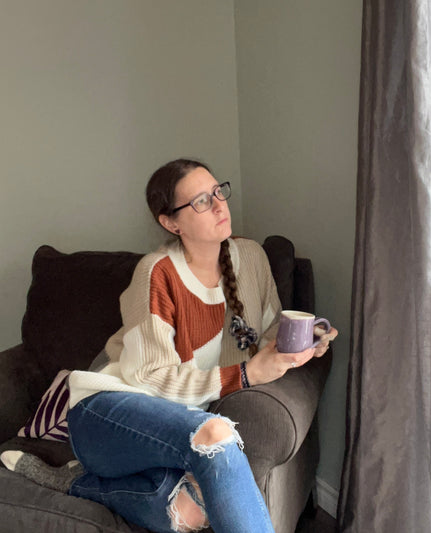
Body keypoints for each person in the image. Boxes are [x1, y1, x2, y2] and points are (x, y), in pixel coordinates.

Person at [1, 158, 337, 533]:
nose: (219, 204)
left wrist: (301, 344)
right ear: (170, 222)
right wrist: (243, 374)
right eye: (201, 201)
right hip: (105, 413)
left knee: (192, 511)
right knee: (216, 435)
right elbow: (149, 377)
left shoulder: (252, 259)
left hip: (173, 425)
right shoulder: (157, 272)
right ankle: (86, 472)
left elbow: (271, 326)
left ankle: (76, 482)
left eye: (218, 192)